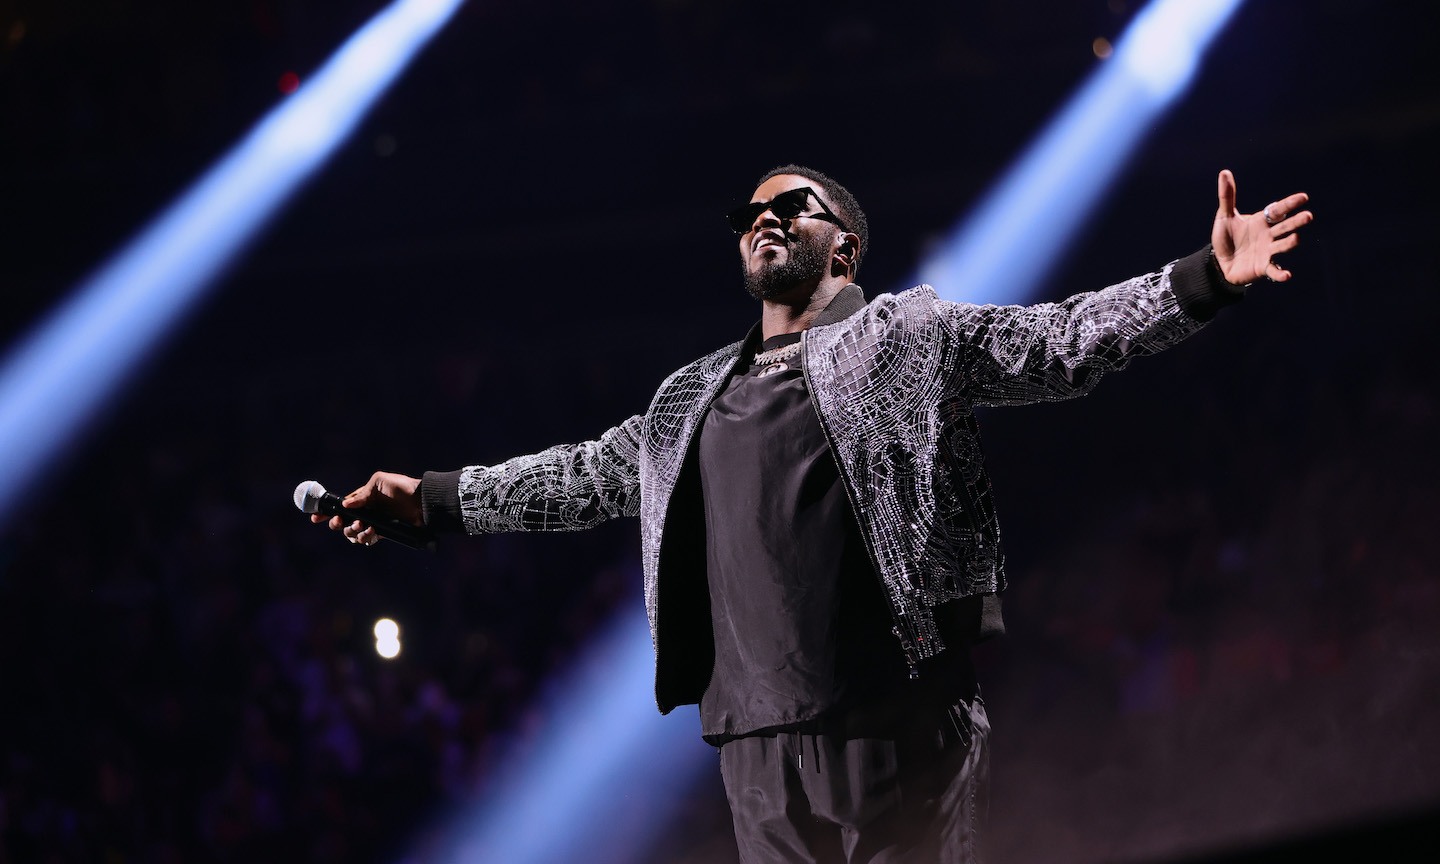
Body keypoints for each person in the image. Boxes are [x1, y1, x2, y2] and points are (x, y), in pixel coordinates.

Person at [312, 164, 1312, 863]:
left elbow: (1057, 342)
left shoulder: (905, 335)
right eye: (752, 211)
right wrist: (438, 500)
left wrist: (1203, 281)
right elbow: (573, 478)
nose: (767, 217)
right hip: (755, 744)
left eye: (795, 203)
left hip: (898, 720)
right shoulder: (684, 400)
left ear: (847, 242)